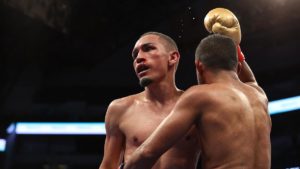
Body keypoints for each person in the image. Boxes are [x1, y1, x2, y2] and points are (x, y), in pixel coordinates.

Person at [124, 33, 272, 169]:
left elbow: (147, 153)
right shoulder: (258, 94)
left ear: (199, 66)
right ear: (237, 66)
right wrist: (235, 47)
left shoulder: (199, 95)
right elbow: (250, 79)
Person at [99, 32, 201, 169]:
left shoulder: (196, 106)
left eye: (148, 49)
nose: (139, 58)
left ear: (172, 57)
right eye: (135, 55)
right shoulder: (120, 108)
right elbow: (108, 165)